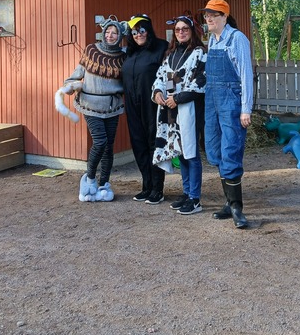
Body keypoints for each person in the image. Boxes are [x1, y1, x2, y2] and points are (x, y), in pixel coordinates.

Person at [59, 17, 126, 202]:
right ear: (103, 33)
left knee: (108, 147)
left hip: (112, 106)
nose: (110, 36)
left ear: (119, 36)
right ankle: (89, 180)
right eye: (108, 32)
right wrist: (71, 86)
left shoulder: (123, 57)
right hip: (90, 105)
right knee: (100, 142)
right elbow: (75, 76)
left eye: (114, 33)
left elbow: (127, 82)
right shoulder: (91, 50)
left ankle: (104, 184)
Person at [201, 0, 253, 229]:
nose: (208, 18)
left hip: (231, 101)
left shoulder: (237, 39)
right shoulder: (212, 40)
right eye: (206, 15)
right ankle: (227, 202)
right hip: (212, 100)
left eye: (213, 15)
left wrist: (245, 109)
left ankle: (236, 207)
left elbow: (246, 76)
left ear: (224, 17)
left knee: (231, 149)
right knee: (214, 149)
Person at [152, 15, 207, 215]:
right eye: (177, 30)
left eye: (185, 29)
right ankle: (186, 192)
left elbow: (201, 81)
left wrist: (179, 98)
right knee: (181, 153)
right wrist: (159, 93)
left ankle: (195, 198)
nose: (181, 32)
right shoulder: (171, 55)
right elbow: (163, 78)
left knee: (191, 153)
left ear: (192, 31)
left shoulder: (200, 53)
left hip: (189, 110)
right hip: (171, 111)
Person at [121, 14, 167, 204]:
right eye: (134, 32)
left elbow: (168, 75)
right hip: (132, 105)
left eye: (142, 30)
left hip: (152, 104)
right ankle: (146, 185)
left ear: (148, 31)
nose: (138, 34)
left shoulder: (161, 48)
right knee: (138, 144)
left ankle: (158, 188)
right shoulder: (129, 53)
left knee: (153, 144)